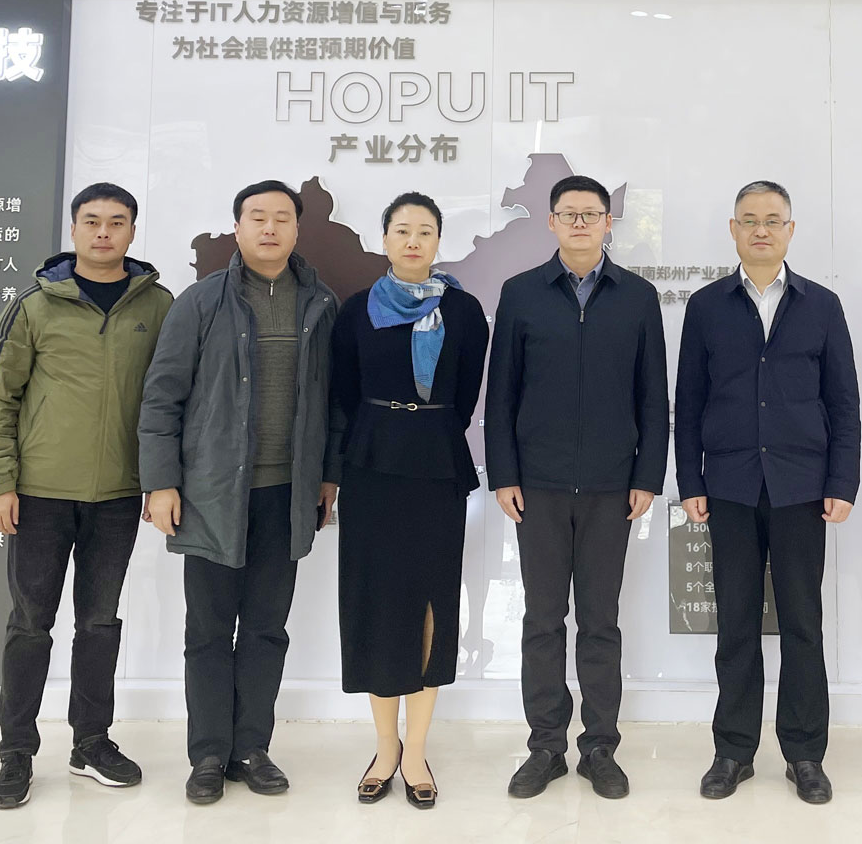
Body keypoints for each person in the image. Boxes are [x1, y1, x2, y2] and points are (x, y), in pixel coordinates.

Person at [0, 183, 175, 810]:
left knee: (99, 623)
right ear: (74, 229)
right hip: (39, 494)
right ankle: (16, 753)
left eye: (117, 222)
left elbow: (171, 399)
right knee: (30, 625)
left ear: (133, 231)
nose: (104, 232)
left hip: (118, 496)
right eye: (92, 221)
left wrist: (161, 479)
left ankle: (91, 742)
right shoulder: (34, 305)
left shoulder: (158, 305)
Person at [138, 180, 341, 806]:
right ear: (238, 227)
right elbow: (162, 397)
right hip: (210, 494)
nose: (270, 228)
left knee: (265, 630)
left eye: (282, 218)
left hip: (287, 494)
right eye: (258, 217)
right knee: (207, 632)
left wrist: (328, 476)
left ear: (298, 229)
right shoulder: (201, 301)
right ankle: (207, 754)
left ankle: (252, 748)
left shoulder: (321, 304)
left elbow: (333, 402)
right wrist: (161, 482)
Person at [675, 180, 861, 806]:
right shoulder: (706, 306)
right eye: (749, 219)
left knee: (803, 622)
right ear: (733, 229)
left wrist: (841, 481)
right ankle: (733, 750)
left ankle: (805, 754)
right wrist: (691, 482)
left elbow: (843, 402)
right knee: (735, 622)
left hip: (801, 486)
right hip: (729, 485)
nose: (761, 229)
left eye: (773, 220)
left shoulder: (822, 305)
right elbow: (688, 402)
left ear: (790, 230)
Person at [485, 174, 668, 801]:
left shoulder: (637, 297)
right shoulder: (521, 293)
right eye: (570, 214)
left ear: (609, 223)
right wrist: (504, 473)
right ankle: (545, 747)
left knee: (600, 622)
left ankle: (600, 748)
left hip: (612, 487)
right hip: (536, 485)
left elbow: (653, 395)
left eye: (592, 214)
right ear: (552, 222)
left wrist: (646, 476)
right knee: (542, 620)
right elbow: (501, 392)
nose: (581, 223)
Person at [329, 193, 489, 810]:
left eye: (425, 231)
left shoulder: (464, 311)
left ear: (439, 240)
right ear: (385, 239)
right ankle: (385, 748)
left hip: (436, 464)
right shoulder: (356, 310)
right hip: (372, 465)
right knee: (375, 602)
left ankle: (416, 751)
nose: (413, 241)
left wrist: (423, 424)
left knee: (430, 603)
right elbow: (344, 390)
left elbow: (466, 392)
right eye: (402, 230)